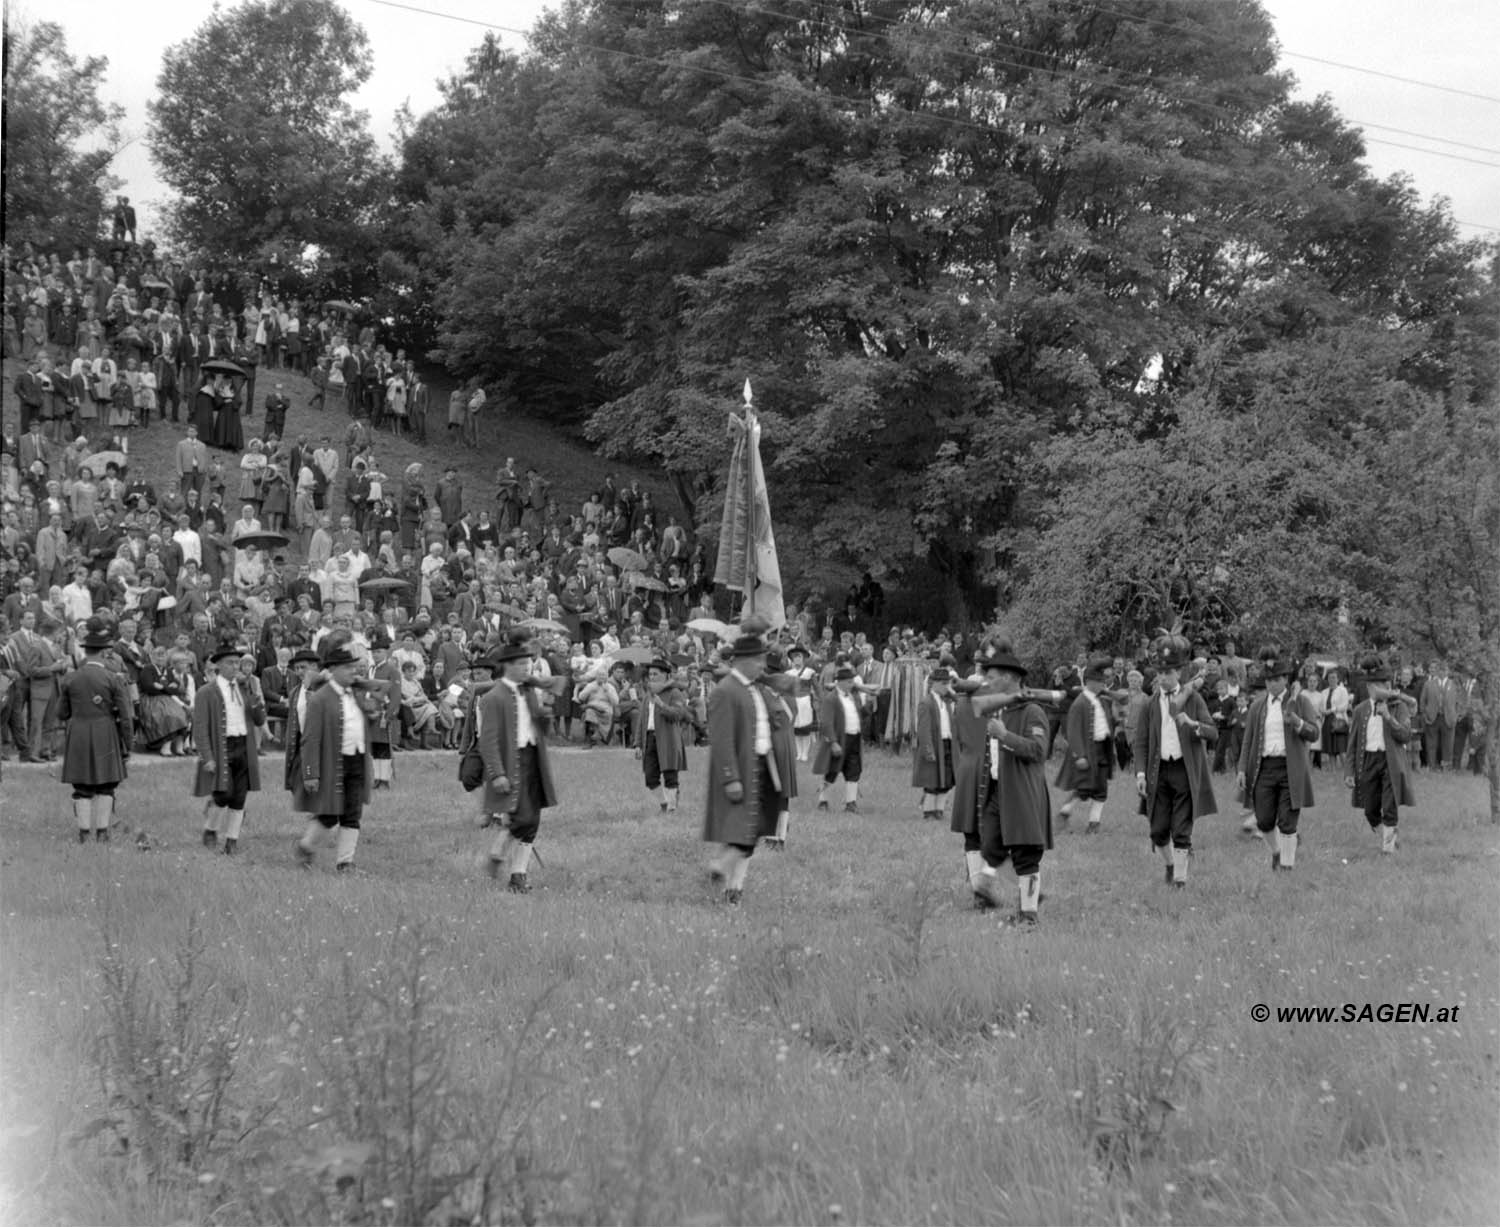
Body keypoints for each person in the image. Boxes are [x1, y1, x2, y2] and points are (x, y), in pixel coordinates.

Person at [964, 639, 1053, 924]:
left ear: (1009, 679)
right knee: (990, 844)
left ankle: (1028, 915)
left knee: (1026, 854)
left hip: (1023, 792)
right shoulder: (997, 708)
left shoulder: (1032, 711)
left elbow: (1038, 751)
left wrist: (1004, 736)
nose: (986, 682)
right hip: (996, 790)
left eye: (991, 678)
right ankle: (988, 889)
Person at [1132, 631, 1218, 888]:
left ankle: (1180, 880)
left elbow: (1212, 731)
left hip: (1184, 770)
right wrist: (1140, 774)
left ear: (1179, 673)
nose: (1163, 677)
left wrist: (1193, 725)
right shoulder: (1149, 704)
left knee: (1181, 830)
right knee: (1158, 831)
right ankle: (1170, 864)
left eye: (1168, 673)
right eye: (1159, 673)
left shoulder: (1193, 698)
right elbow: (1141, 742)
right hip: (1158, 771)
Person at [702, 632, 780, 904]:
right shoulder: (726, 690)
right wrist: (730, 777)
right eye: (758, 659)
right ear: (743, 660)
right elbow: (721, 740)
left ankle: (734, 888)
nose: (762, 665)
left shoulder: (752, 687)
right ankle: (722, 865)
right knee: (748, 828)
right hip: (741, 769)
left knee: (754, 828)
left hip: (759, 765)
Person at [478, 635, 558, 892]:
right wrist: (497, 774)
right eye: (523, 664)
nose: (528, 669)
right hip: (512, 763)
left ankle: (518, 876)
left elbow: (542, 729)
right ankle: (498, 851)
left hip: (534, 759)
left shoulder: (529, 691)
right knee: (521, 817)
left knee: (533, 821)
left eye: (529, 664)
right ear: (509, 666)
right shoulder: (493, 697)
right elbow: (488, 742)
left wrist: (545, 712)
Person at [1237, 652, 1320, 871]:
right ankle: (1276, 851)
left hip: (1290, 769)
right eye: (1268, 680)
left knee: (1287, 821)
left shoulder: (1300, 701)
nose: (1272, 684)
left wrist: (1297, 722)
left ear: (1285, 679)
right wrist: (1241, 769)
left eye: (1276, 679)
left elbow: (1314, 733)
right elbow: (1248, 741)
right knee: (1263, 820)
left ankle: (1287, 867)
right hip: (1264, 767)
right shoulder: (1257, 706)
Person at [295, 640, 374, 872]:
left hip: (356, 759)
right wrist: (311, 773)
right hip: (334, 763)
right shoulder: (320, 699)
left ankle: (345, 862)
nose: (354, 671)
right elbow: (310, 739)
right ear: (334, 670)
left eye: (354, 667)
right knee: (329, 813)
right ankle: (306, 846)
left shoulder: (356, 694)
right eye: (348, 668)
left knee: (352, 813)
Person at [57, 616, 134, 843]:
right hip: (105, 733)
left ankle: (83, 833)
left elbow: (61, 714)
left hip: (78, 734)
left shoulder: (70, 678)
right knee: (106, 785)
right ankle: (102, 832)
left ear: (87, 651)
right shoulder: (113, 678)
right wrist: (127, 745)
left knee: (81, 786)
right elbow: (126, 716)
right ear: (103, 653)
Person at [192, 642, 266, 855]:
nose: (236, 667)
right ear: (218, 667)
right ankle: (211, 828)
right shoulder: (207, 692)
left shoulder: (245, 688)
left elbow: (259, 719)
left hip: (244, 745)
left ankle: (231, 841)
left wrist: (254, 698)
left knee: (239, 797)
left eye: (238, 663)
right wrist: (207, 757)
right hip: (222, 747)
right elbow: (200, 727)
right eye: (230, 663)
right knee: (223, 794)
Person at [1347, 659, 1416, 855]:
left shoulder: (1398, 706)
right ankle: (1390, 838)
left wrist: (1388, 716)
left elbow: (1405, 735)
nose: (1379, 688)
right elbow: (1352, 744)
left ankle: (1387, 851)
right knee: (1370, 810)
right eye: (1374, 684)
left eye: (1383, 684)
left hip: (1390, 762)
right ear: (1369, 687)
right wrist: (1349, 772)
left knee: (1389, 806)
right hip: (1368, 761)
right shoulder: (1360, 710)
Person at [1054, 657, 1116, 833]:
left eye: (1103, 682)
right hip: (1088, 750)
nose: (1102, 685)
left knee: (1101, 788)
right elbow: (1072, 732)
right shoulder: (1080, 703)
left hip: (1102, 748)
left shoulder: (1101, 700)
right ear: (1089, 682)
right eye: (1099, 682)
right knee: (1084, 788)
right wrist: (1080, 755)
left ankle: (1094, 823)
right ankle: (1064, 813)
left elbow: (1107, 722)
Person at [633, 657, 690, 812]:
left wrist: (661, 705)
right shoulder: (648, 694)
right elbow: (641, 721)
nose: (652, 677)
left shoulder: (675, 692)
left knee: (670, 774)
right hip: (650, 739)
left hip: (669, 739)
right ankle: (664, 802)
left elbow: (678, 714)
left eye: (655, 674)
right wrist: (638, 744)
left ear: (666, 675)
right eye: (650, 674)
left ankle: (671, 808)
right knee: (650, 778)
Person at [812, 663, 865, 813]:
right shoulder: (831, 699)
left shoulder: (852, 697)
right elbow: (826, 723)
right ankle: (823, 800)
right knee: (831, 771)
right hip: (839, 740)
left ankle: (851, 803)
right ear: (840, 682)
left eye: (852, 681)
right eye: (849, 682)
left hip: (853, 737)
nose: (852, 684)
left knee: (854, 771)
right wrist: (833, 742)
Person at [911, 665, 956, 821]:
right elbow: (923, 730)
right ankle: (929, 811)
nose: (946, 687)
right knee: (932, 779)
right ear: (933, 684)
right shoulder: (926, 703)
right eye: (943, 684)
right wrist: (928, 749)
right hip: (934, 744)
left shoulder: (948, 702)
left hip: (947, 742)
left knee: (947, 779)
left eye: (948, 683)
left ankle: (939, 809)